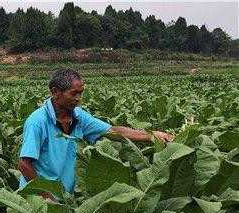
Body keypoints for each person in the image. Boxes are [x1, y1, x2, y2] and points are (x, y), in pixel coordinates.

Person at [18, 68, 174, 202]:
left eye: (81, 93)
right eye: (74, 94)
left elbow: (113, 131)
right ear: (55, 92)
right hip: (38, 198)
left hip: (66, 197)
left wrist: (152, 135)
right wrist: (46, 196)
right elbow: (24, 165)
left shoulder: (79, 117)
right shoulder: (37, 121)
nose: (78, 99)